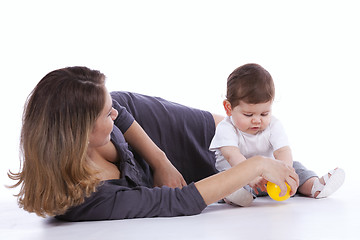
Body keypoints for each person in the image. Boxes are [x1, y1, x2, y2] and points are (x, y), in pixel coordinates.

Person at [8, 66, 300, 221]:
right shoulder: (89, 201)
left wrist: (161, 161)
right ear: (78, 134)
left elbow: (121, 108)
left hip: (155, 126)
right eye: (105, 113)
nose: (113, 111)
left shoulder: (110, 114)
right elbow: (181, 201)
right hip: (173, 178)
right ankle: (276, 169)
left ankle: (301, 175)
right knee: (246, 168)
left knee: (240, 137)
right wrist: (256, 166)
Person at [209, 63, 345, 207]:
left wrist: (284, 173)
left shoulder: (273, 125)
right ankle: (236, 195)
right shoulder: (226, 128)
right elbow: (232, 155)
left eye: (264, 113)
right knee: (226, 179)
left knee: (295, 167)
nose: (257, 120)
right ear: (228, 108)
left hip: (270, 177)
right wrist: (251, 176)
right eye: (248, 115)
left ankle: (314, 186)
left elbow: (282, 150)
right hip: (242, 175)